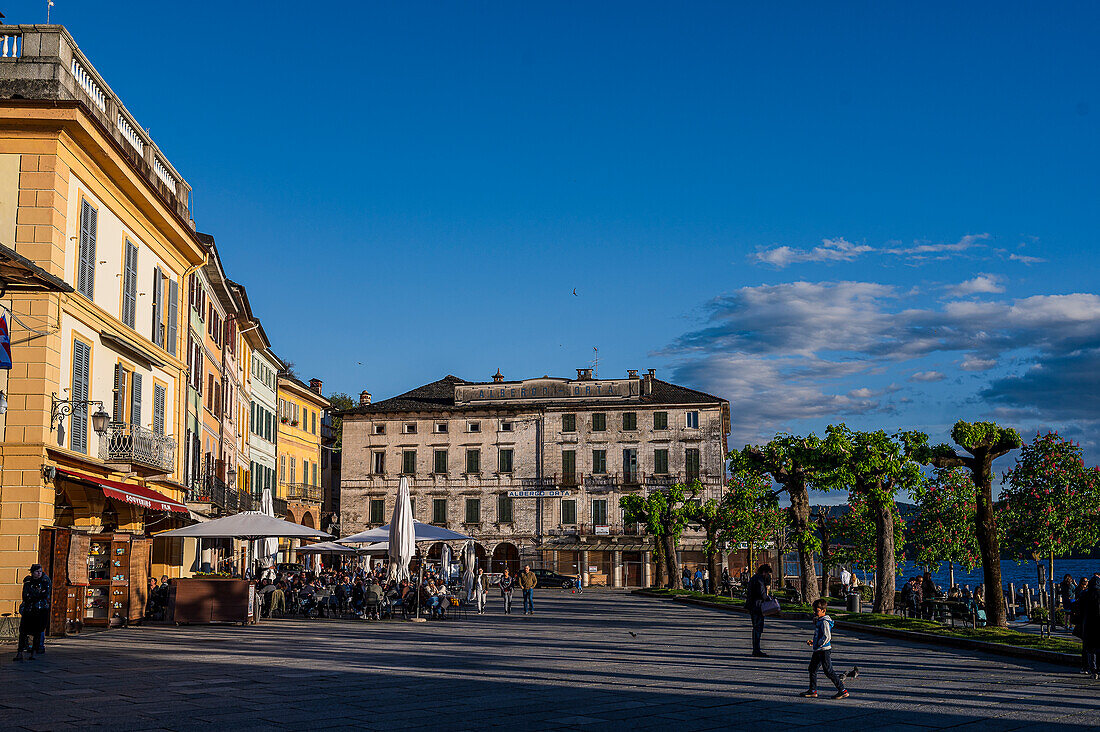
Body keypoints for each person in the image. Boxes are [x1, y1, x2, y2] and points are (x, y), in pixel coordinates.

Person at [799, 599, 850, 699]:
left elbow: (827, 637)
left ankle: (842, 690)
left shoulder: (825, 622)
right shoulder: (820, 621)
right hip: (818, 650)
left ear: (823, 610)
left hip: (824, 650)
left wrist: (818, 643)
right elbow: (821, 635)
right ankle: (812, 690)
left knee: (828, 671)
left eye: (817, 611)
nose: (815, 613)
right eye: (814, 610)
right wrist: (814, 642)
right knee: (812, 669)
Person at [14, 564, 50, 662]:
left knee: (37, 632)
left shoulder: (45, 582)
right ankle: (20, 652)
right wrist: (37, 594)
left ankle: (34, 652)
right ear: (32, 572)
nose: (39, 573)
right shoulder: (28, 583)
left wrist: (34, 595)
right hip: (29, 611)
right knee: (23, 632)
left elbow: (44, 594)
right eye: (37, 571)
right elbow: (25, 596)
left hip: (40, 610)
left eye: (40, 571)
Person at [745, 564, 773, 657]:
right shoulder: (759, 580)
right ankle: (756, 649)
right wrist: (770, 599)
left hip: (753, 606)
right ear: (764, 572)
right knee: (758, 628)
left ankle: (756, 649)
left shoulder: (754, 578)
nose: (768, 575)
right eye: (767, 573)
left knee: (756, 627)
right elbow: (762, 594)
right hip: (757, 606)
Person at [1079, 576, 1100, 679]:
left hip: (1088, 624)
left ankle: (1093, 669)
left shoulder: (1085, 595)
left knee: (1091, 649)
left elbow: (1079, 609)